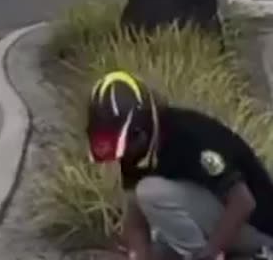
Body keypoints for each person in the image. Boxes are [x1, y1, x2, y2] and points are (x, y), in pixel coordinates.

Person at [86, 70, 273, 259]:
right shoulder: (138, 149)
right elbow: (135, 214)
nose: (124, 155)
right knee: (155, 250)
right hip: (215, 223)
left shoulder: (190, 138)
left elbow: (243, 203)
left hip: (256, 228)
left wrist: (209, 254)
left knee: (150, 192)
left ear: (141, 129)